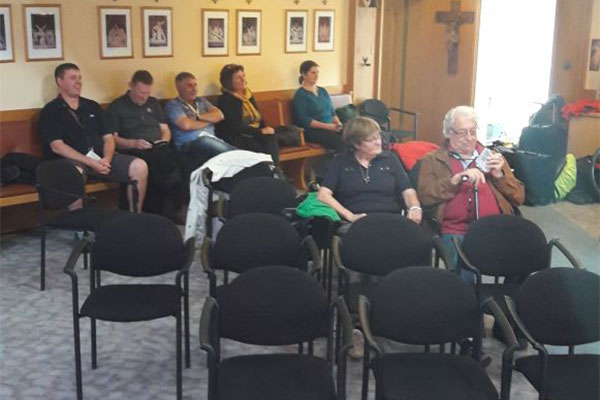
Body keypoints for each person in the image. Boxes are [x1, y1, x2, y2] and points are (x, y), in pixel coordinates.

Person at [417, 105, 525, 271]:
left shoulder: (492, 157)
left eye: (473, 132)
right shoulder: (432, 159)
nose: (469, 138)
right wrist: (454, 180)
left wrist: (499, 176)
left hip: (493, 227)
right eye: (462, 133)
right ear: (448, 133)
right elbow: (425, 196)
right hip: (454, 230)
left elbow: (519, 197)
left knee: (523, 258)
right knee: (464, 270)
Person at [39, 63, 148, 212]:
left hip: (101, 158)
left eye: (80, 78)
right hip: (74, 161)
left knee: (139, 166)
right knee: (74, 172)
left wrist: (107, 159)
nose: (78, 82)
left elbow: (108, 137)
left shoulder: (92, 106)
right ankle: (78, 221)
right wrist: (90, 162)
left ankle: (135, 216)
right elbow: (57, 146)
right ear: (60, 81)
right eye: (73, 78)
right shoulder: (51, 110)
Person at [107, 70, 185, 221]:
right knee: (155, 166)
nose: (144, 97)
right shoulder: (117, 106)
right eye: (140, 93)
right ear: (131, 86)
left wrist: (163, 142)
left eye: (147, 93)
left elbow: (165, 130)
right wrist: (133, 143)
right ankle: (154, 213)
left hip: (158, 146)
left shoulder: (153, 103)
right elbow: (113, 139)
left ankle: (172, 210)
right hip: (133, 148)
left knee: (180, 162)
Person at [318, 116, 422, 224]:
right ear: (356, 144)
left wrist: (415, 207)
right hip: (357, 221)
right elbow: (323, 195)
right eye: (371, 140)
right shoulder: (341, 162)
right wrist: (350, 216)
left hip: (390, 218)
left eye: (378, 137)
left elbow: (407, 190)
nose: (378, 142)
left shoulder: (390, 159)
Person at [165, 72, 234, 168]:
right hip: (189, 144)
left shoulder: (202, 101)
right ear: (179, 88)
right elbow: (186, 125)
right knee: (205, 141)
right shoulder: (173, 105)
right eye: (189, 86)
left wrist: (197, 117)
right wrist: (209, 120)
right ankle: (243, 157)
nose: (194, 89)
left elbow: (220, 115)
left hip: (212, 140)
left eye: (195, 85)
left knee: (214, 144)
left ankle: (242, 158)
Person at [216, 63, 280, 165]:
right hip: (238, 137)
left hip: (254, 134)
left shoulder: (248, 95)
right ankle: (275, 170)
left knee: (270, 137)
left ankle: (273, 169)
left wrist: (265, 129)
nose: (243, 79)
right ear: (229, 82)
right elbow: (236, 126)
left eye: (243, 76)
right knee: (267, 142)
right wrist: (260, 131)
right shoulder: (226, 100)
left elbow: (259, 117)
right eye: (238, 77)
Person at [292, 60, 345, 151]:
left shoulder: (322, 91)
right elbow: (305, 120)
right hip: (313, 131)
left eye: (317, 72)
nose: (316, 75)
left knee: (353, 136)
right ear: (304, 75)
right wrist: (328, 126)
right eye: (313, 73)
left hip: (331, 127)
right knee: (341, 142)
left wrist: (338, 124)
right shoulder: (300, 95)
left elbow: (332, 112)